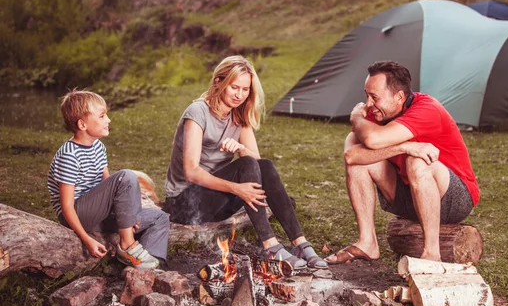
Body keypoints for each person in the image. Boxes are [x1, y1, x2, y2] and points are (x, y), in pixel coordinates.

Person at [164, 55, 327, 269]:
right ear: (218, 82)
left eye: (245, 89)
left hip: (217, 201)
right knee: (247, 165)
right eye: (234, 87)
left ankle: (300, 242)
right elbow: (191, 172)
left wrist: (241, 149)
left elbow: (259, 166)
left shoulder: (239, 115)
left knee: (262, 164)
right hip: (185, 204)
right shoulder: (197, 112)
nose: (240, 95)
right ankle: (270, 246)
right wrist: (237, 189)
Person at [325, 61, 479, 264]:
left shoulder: (427, 109)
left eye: (374, 97)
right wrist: (403, 147)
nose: (368, 103)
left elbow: (373, 140)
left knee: (417, 161)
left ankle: (432, 253)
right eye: (366, 95)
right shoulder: (375, 114)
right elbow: (351, 156)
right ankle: (367, 242)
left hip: (454, 198)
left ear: (399, 96)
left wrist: (356, 117)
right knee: (362, 162)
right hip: (410, 196)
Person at [48, 90, 169, 269]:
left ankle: (149, 267)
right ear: (82, 124)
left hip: (100, 213)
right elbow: (66, 207)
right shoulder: (69, 155)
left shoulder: (98, 147)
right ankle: (127, 246)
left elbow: (109, 187)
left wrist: (130, 214)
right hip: (78, 214)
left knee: (159, 217)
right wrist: (87, 239)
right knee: (125, 176)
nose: (109, 120)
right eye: (102, 116)